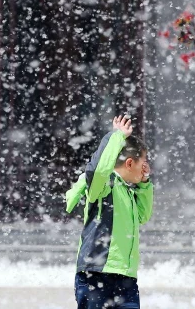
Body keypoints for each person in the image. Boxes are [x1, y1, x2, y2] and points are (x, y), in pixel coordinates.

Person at [66, 115, 153, 309]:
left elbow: (143, 216)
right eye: (143, 163)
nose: (146, 168)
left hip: (125, 277)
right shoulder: (105, 186)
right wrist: (116, 137)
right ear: (130, 163)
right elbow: (97, 171)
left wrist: (145, 184)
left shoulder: (128, 191)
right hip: (96, 274)